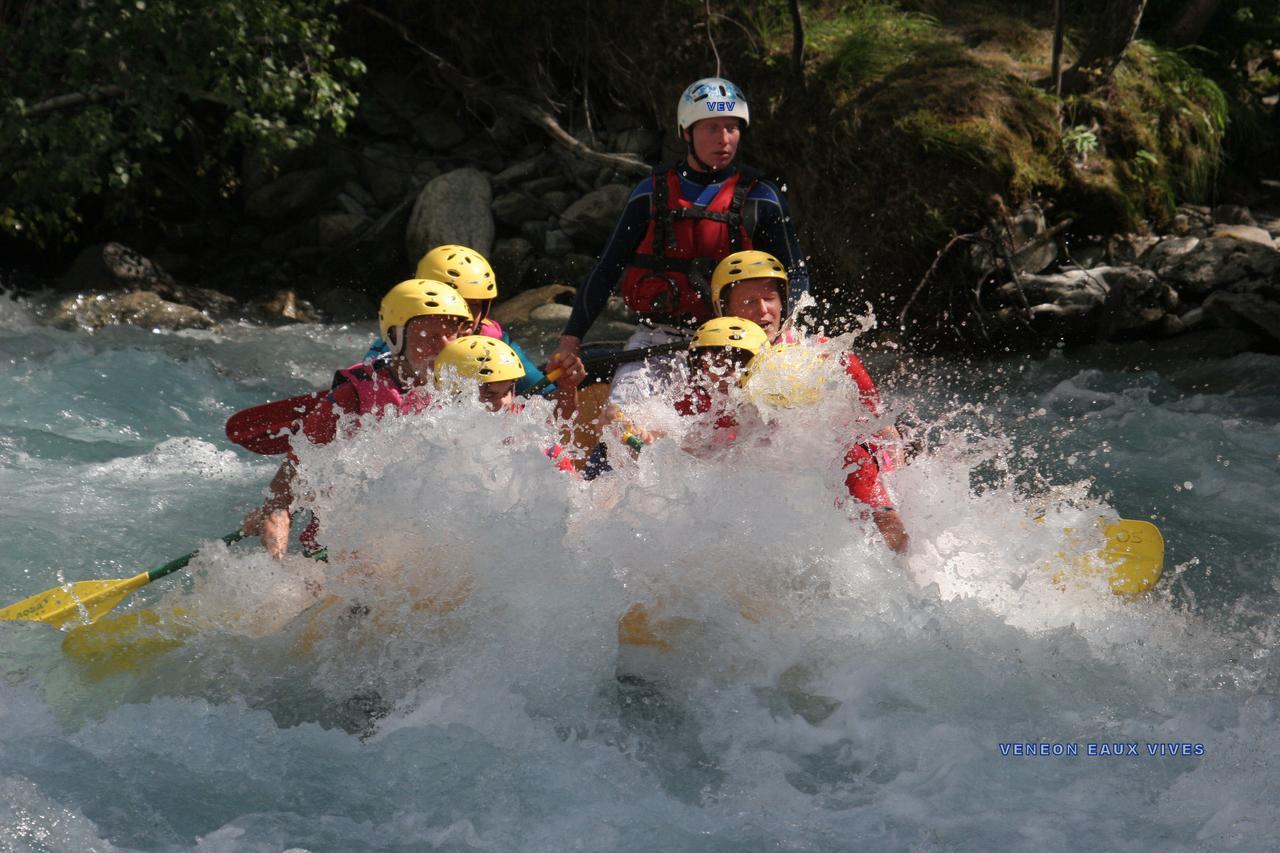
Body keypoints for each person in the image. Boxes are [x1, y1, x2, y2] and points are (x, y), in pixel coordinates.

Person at [548, 77, 809, 409]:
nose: (724, 140)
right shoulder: (649, 193)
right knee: (619, 428)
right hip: (659, 337)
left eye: (732, 128)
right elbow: (607, 268)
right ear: (687, 132)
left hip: (736, 344)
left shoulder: (762, 198)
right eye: (711, 128)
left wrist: (786, 331)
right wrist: (571, 341)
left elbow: (796, 274)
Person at [242, 279, 476, 558]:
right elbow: (295, 467)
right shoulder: (351, 397)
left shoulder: (472, 385)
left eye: (453, 335)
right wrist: (277, 510)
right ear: (396, 338)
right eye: (428, 336)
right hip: (347, 542)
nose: (444, 347)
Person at [365, 245, 583, 398]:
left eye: (474, 306)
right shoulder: (394, 350)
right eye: (454, 303)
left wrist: (566, 387)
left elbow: (546, 400)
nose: (465, 317)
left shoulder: (495, 344)